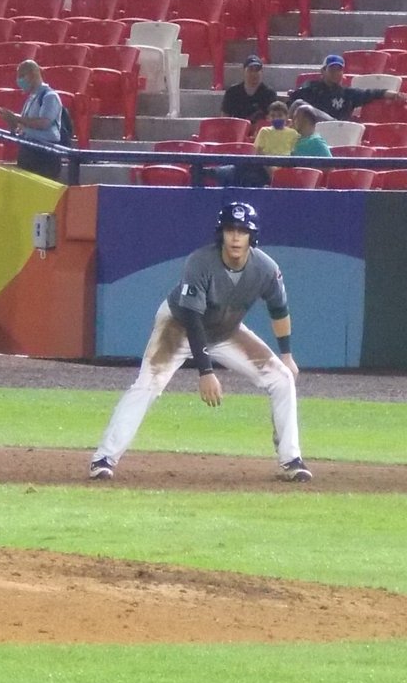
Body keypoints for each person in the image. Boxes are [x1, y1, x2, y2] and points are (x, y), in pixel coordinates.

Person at [88, 202, 310, 483]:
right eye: (230, 230)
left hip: (225, 331)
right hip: (179, 326)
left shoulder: (265, 268)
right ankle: (104, 458)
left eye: (243, 231)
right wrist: (206, 371)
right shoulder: (200, 262)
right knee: (148, 385)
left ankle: (291, 458)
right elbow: (193, 319)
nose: (236, 237)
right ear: (221, 234)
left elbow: (279, 310)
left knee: (281, 377)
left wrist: (287, 354)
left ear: (252, 237)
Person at [286, 54, 406, 122]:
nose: (336, 73)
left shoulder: (347, 93)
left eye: (339, 70)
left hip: (338, 127)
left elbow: (372, 93)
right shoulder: (311, 88)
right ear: (323, 71)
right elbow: (292, 99)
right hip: (316, 129)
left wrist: (395, 94)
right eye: (332, 69)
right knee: (298, 104)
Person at [0, 59, 64, 180]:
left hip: (44, 154)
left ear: (33, 75)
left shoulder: (49, 96)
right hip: (28, 151)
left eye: (22, 76)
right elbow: (23, 126)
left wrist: (16, 118)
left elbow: (44, 123)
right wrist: (11, 121)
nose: (19, 80)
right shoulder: (30, 98)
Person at [228, 100, 298, 187]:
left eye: (280, 115)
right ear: (268, 117)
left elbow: (294, 153)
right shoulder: (264, 131)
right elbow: (258, 151)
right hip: (265, 165)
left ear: (287, 117)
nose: (276, 118)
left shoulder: (293, 133)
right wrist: (268, 167)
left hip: (285, 165)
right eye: (273, 116)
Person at [222, 54, 277, 126]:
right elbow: (225, 117)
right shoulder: (232, 92)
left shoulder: (269, 94)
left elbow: (273, 118)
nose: (254, 74)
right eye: (250, 70)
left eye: (257, 70)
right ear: (244, 71)